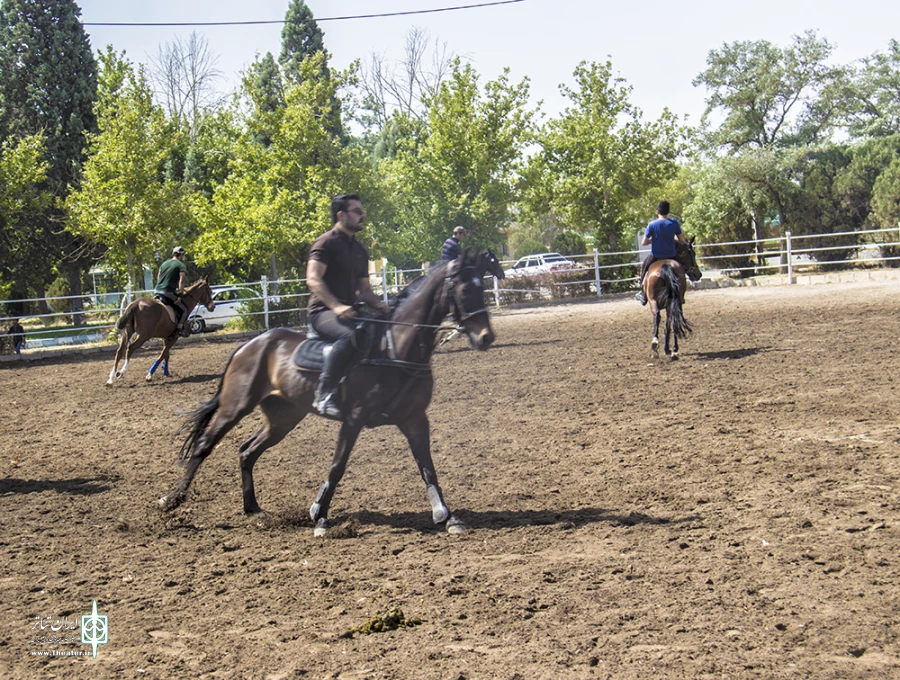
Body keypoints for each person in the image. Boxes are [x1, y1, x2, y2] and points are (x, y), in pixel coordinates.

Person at [307, 193, 391, 420]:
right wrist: (336, 307)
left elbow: (364, 291)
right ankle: (324, 394)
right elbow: (313, 279)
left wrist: (381, 306)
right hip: (323, 312)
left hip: (350, 310)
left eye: (363, 211)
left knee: (382, 329)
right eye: (357, 211)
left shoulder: (360, 250)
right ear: (341, 215)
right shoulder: (326, 242)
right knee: (349, 337)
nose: (363, 215)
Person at [635, 201, 686, 305]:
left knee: (645, 267)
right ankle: (682, 295)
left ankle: (642, 292)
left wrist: (653, 240)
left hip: (656, 255)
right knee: (682, 267)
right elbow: (682, 241)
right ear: (668, 211)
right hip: (672, 255)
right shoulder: (674, 223)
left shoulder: (652, 225)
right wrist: (672, 238)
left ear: (657, 211)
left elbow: (644, 242)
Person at [155, 246, 190, 337]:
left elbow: (158, 277)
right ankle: (179, 329)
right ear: (181, 255)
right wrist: (180, 295)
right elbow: (181, 280)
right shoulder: (181, 265)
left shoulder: (164, 264)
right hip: (168, 292)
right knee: (185, 310)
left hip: (157, 291)